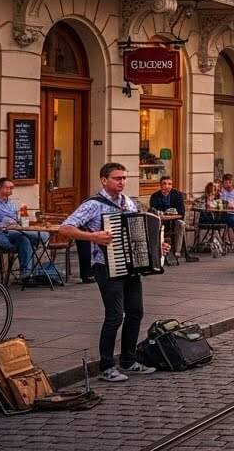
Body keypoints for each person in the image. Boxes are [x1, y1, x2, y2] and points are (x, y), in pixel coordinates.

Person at [58, 162, 166, 382]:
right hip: (106, 266)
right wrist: (93, 237)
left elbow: (141, 233)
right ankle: (107, 366)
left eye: (124, 178)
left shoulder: (129, 203)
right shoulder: (93, 205)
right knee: (115, 316)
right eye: (117, 178)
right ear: (104, 180)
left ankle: (128, 360)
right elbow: (65, 227)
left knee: (135, 312)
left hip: (131, 267)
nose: (122, 182)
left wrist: (158, 247)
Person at [0, 177, 49, 279]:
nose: (10, 190)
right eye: (7, 188)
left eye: (11, 188)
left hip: (15, 232)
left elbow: (18, 219)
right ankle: (40, 238)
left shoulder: (12, 204)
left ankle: (25, 273)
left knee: (24, 240)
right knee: (35, 237)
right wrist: (4, 225)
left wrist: (21, 222)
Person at [149, 176, 195, 263]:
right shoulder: (155, 196)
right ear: (160, 185)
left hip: (174, 221)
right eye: (165, 184)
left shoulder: (177, 195)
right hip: (161, 222)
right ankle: (157, 252)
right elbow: (153, 211)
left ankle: (177, 252)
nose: (167, 186)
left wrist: (173, 213)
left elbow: (181, 212)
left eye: (169, 184)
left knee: (181, 224)